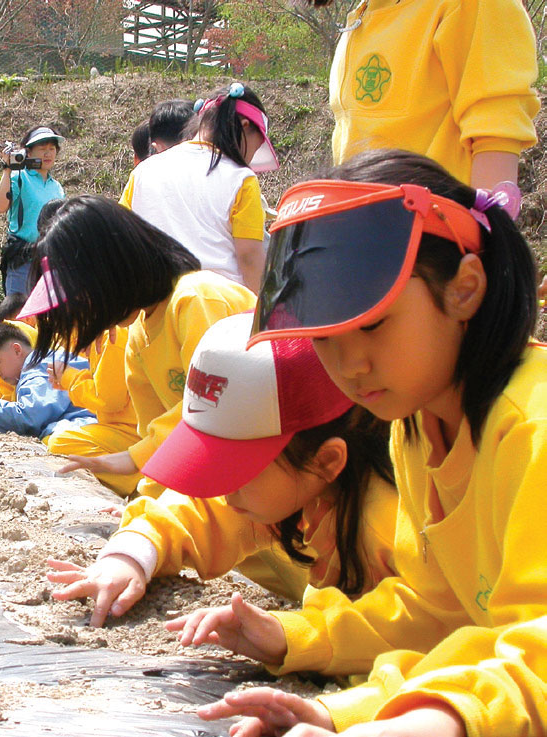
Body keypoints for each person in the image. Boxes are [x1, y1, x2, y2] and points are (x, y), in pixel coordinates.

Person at [188, 150, 546, 737]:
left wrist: (423, 723)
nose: (350, 365)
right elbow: (435, 614)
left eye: (374, 323)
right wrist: (307, 651)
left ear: (465, 290)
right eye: (325, 338)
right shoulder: (418, 429)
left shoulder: (532, 428)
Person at [47, 312, 397, 623]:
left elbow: (415, 637)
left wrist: (296, 635)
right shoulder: (297, 483)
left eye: (238, 474)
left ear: (327, 461)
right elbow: (198, 510)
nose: (226, 494)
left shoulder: (391, 536)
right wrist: (131, 556)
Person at [23, 196, 255, 500]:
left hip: (257, 479)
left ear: (110, 271)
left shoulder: (196, 300)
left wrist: (134, 466)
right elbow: (155, 435)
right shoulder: (139, 332)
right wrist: (146, 501)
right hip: (224, 478)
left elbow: (215, 413)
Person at [316, 0, 538, 189]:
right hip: (362, 231)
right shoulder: (365, 12)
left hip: (436, 233)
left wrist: (487, 231)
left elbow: (496, 135)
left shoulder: (474, 5)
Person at [119, 83, 275, 293]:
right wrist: (266, 315)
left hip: (155, 309)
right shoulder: (241, 179)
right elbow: (250, 258)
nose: (251, 159)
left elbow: (121, 240)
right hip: (220, 311)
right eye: (256, 148)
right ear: (245, 125)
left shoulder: (143, 172)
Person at [44, 325, 143, 497]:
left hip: (138, 433)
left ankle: (140, 483)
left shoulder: (112, 337)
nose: (71, 342)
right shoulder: (101, 338)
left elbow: (109, 401)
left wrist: (70, 378)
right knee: (51, 440)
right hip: (128, 429)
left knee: (60, 442)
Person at [0, 324, 95, 440]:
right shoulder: (45, 359)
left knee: (56, 438)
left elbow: (32, 415)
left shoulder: (37, 368)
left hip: (92, 422)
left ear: (17, 350)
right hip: (96, 417)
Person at [0, 125, 66, 296]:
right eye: (42, 149)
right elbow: (0, 206)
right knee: (18, 315)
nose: (48, 154)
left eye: (52, 149)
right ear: (29, 153)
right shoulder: (19, 177)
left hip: (49, 262)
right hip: (23, 261)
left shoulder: (57, 187)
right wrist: (7, 169)